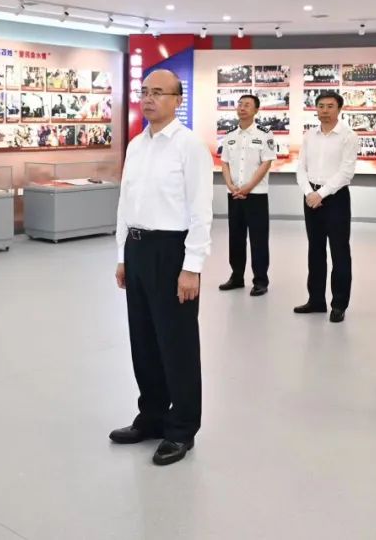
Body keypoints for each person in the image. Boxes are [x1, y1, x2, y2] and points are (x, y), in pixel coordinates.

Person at [111, 69, 213, 467]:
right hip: (137, 249)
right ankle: (151, 416)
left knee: (177, 343)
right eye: (144, 92)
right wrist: (122, 255)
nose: (149, 98)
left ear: (177, 100)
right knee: (144, 340)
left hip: (172, 251)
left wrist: (192, 267)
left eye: (158, 92)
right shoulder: (137, 145)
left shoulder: (189, 147)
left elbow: (201, 210)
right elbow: (125, 202)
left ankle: (181, 428)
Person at [294, 92, 358, 322]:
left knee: (340, 251)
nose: (324, 110)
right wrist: (309, 193)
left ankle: (339, 304)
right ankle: (316, 300)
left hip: (335, 198)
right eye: (321, 106)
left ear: (339, 109)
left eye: (330, 106)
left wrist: (320, 194)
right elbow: (301, 168)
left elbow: (346, 172)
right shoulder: (310, 135)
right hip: (311, 197)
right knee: (315, 250)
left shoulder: (348, 136)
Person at [218, 94, 276, 296]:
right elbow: (224, 162)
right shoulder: (230, 135)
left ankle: (260, 280)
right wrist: (230, 184)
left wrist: (248, 187)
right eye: (240, 104)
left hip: (256, 194)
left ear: (256, 110)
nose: (242, 108)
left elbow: (266, 163)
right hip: (234, 194)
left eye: (247, 105)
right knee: (236, 237)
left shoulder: (265, 134)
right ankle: (236, 277)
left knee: (258, 239)